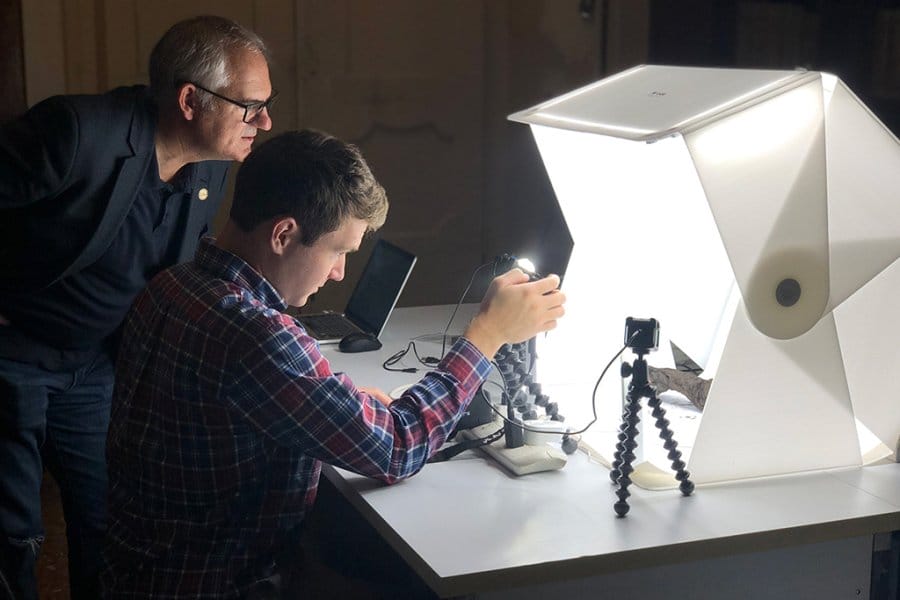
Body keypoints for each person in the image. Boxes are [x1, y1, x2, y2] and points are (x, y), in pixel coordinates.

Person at [101, 129, 566, 598]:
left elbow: (233, 399)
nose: (339, 272)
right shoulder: (256, 334)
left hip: (139, 571)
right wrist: (487, 335)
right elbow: (398, 447)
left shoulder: (172, 286)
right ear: (284, 234)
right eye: (338, 251)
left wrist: (338, 403)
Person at [0, 15, 274, 599]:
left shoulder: (210, 166)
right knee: (12, 536)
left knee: (107, 522)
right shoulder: (76, 132)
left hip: (95, 364)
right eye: (251, 106)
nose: (264, 122)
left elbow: (186, 276)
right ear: (189, 101)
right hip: (12, 352)